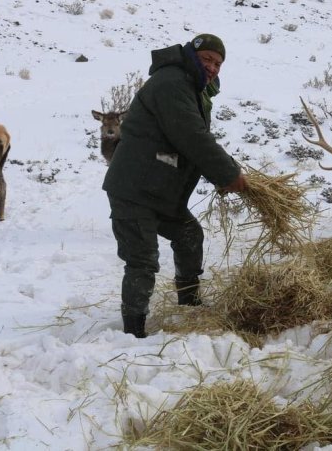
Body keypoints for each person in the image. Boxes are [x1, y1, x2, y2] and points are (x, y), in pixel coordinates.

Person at [102, 33, 247, 338]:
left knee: (189, 235)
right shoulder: (171, 83)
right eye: (207, 58)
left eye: (218, 63)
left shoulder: (194, 90)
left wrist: (223, 173)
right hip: (134, 188)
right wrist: (228, 174)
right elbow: (193, 137)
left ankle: (189, 304)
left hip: (160, 189)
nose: (212, 67)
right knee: (142, 259)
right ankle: (133, 331)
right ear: (191, 55)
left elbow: (189, 145)